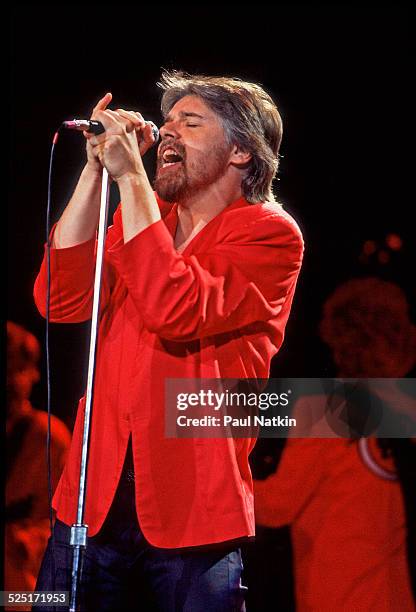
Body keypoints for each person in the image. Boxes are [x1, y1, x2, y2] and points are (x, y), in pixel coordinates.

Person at [33, 71, 304, 611]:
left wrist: (132, 178)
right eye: (168, 119)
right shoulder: (146, 222)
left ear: (242, 153)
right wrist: (94, 175)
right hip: (92, 498)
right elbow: (59, 299)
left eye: (191, 121)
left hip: (192, 515)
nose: (166, 131)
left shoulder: (269, 233)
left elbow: (175, 307)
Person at [252, 277, 416, 611]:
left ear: (338, 337)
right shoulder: (406, 408)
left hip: (337, 596)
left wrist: (221, 481)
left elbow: (277, 506)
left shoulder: (327, 408)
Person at [6, 321, 71, 610]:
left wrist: (25, 539)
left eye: (14, 368)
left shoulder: (47, 435)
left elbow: (65, 523)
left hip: (23, 589)